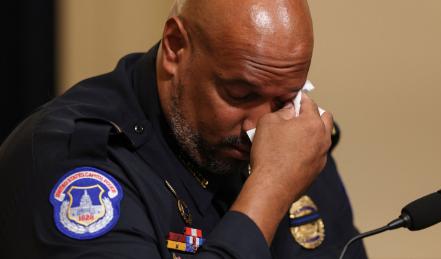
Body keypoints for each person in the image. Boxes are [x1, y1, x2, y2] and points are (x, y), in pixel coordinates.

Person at [0, 0, 367, 258]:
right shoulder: (76, 159)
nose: (260, 128)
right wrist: (269, 187)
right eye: (239, 94)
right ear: (176, 47)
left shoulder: (292, 134)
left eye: (285, 98)